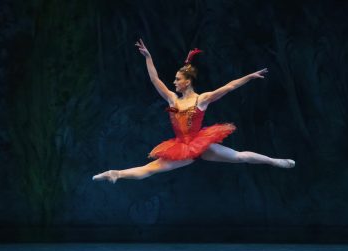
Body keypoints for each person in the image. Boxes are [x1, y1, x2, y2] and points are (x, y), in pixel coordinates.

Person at [93, 39, 295, 183]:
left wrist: (249, 77)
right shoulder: (172, 98)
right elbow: (155, 80)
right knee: (149, 170)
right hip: (181, 148)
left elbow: (229, 86)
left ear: (187, 82)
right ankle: (115, 174)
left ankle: (275, 161)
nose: (174, 82)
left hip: (201, 143)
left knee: (238, 157)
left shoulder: (202, 99)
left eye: (177, 79)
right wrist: (148, 58)